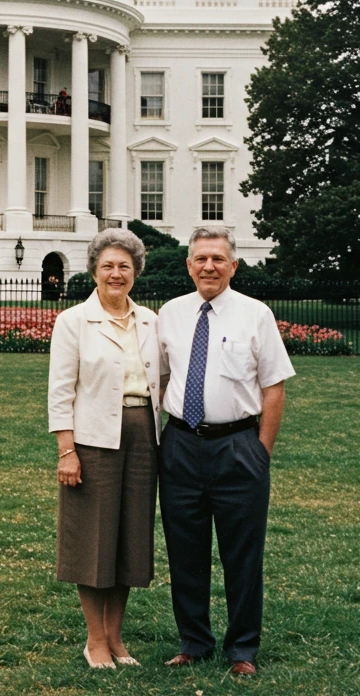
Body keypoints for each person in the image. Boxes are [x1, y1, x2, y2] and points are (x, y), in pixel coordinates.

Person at [156, 226, 294, 676]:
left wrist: (261, 452)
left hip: (238, 446)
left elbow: (273, 388)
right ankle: (194, 642)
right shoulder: (171, 314)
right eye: (200, 259)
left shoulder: (255, 315)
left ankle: (242, 651)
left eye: (218, 258)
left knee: (243, 553)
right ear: (189, 265)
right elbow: (160, 378)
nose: (209, 266)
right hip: (179, 446)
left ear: (233, 265)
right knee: (185, 551)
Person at [48, 228, 165, 669]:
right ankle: (94, 639)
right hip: (93, 439)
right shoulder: (74, 321)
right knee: (92, 539)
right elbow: (60, 390)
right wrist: (67, 450)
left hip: (143, 437)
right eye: (108, 266)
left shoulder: (151, 321)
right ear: (94, 272)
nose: (116, 274)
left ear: (135, 272)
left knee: (130, 539)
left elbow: (164, 380)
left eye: (124, 267)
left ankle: (117, 638)